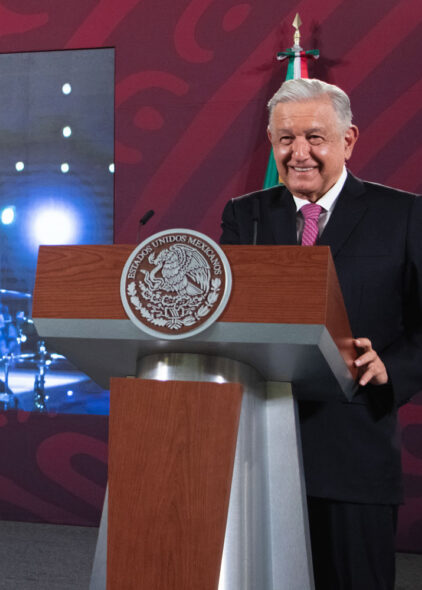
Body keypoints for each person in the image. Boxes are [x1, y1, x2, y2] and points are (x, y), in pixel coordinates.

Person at [220, 78, 422, 589]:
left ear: (348, 140)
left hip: (354, 453)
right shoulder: (246, 216)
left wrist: (390, 367)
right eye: (285, 139)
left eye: (315, 137)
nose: (299, 153)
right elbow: (226, 312)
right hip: (257, 450)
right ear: (271, 142)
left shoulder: (404, 216)